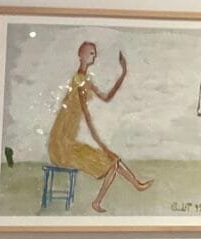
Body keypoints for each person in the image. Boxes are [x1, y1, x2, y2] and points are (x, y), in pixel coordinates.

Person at [48, 42, 152, 213]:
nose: (94, 56)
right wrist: (104, 147)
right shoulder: (79, 81)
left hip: (68, 141)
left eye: (94, 54)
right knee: (111, 161)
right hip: (61, 145)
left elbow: (106, 97)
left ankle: (135, 184)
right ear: (80, 54)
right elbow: (87, 119)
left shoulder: (85, 80)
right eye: (90, 53)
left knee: (112, 160)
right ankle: (106, 198)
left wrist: (123, 74)